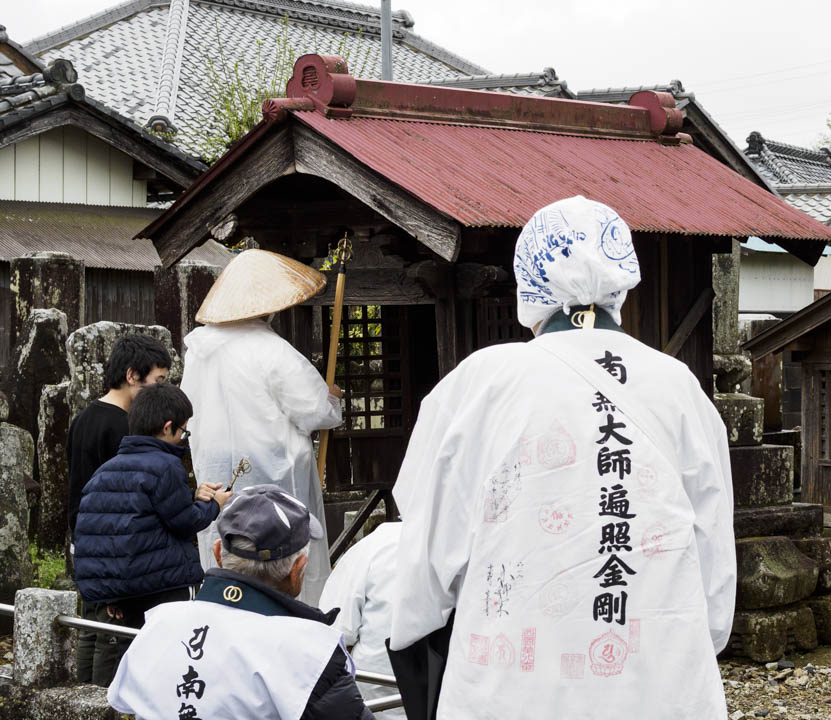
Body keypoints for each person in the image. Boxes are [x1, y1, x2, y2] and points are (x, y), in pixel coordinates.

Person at [387, 196, 736, 720]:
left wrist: (413, 633)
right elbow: (713, 570)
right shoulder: (680, 387)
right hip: (662, 688)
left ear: (530, 282)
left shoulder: (481, 382)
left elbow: (426, 559)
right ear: (623, 283)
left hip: (508, 691)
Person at [108, 484, 373, 720]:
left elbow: (124, 703)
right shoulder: (308, 650)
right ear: (298, 569)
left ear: (218, 555)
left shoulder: (158, 623)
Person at [181, 249, 343, 605]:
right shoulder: (272, 350)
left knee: (229, 546)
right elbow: (315, 412)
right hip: (274, 469)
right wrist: (331, 398)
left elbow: (188, 409)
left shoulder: (198, 352)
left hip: (218, 469)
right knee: (284, 548)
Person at [72, 383, 230, 685]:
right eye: (184, 431)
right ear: (168, 427)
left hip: (114, 584)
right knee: (168, 655)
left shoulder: (107, 470)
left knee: (119, 647)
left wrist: (195, 497)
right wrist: (215, 506)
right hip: (159, 583)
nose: (184, 438)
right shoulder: (165, 465)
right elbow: (183, 522)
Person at [66, 333, 172, 682]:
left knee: (92, 627)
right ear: (132, 375)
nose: (160, 390)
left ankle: (80, 699)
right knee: (115, 631)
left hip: (84, 536)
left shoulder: (83, 418)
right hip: (115, 542)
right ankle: (105, 704)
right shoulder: (124, 427)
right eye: (158, 381)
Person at [320, 520, 404, 718]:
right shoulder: (464, 543)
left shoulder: (375, 546)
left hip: (376, 692)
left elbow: (336, 629)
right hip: (440, 690)